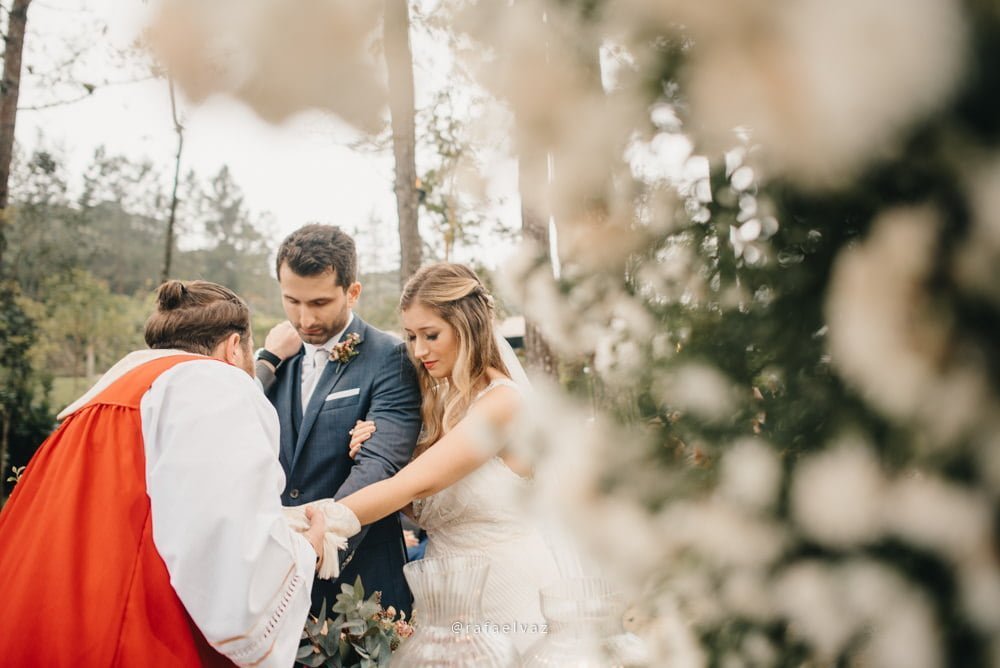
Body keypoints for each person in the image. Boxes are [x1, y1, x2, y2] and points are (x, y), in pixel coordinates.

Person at [0, 280, 343, 667]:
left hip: (41, 627)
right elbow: (232, 571)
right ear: (234, 347)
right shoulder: (214, 384)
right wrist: (303, 550)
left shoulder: (102, 400)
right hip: (135, 640)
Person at [339, 262, 563, 650]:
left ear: (468, 326)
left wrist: (328, 520)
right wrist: (376, 449)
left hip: (505, 589)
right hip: (443, 595)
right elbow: (422, 504)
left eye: (431, 335)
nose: (419, 350)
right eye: (410, 336)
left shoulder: (503, 403)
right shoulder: (438, 402)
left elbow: (417, 482)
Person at [254, 224, 422, 615]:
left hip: (362, 587)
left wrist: (316, 538)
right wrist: (266, 361)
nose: (304, 317)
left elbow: (379, 466)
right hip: (278, 587)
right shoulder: (278, 358)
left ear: (353, 292)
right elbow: (236, 429)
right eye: (291, 301)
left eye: (319, 303)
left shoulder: (390, 357)